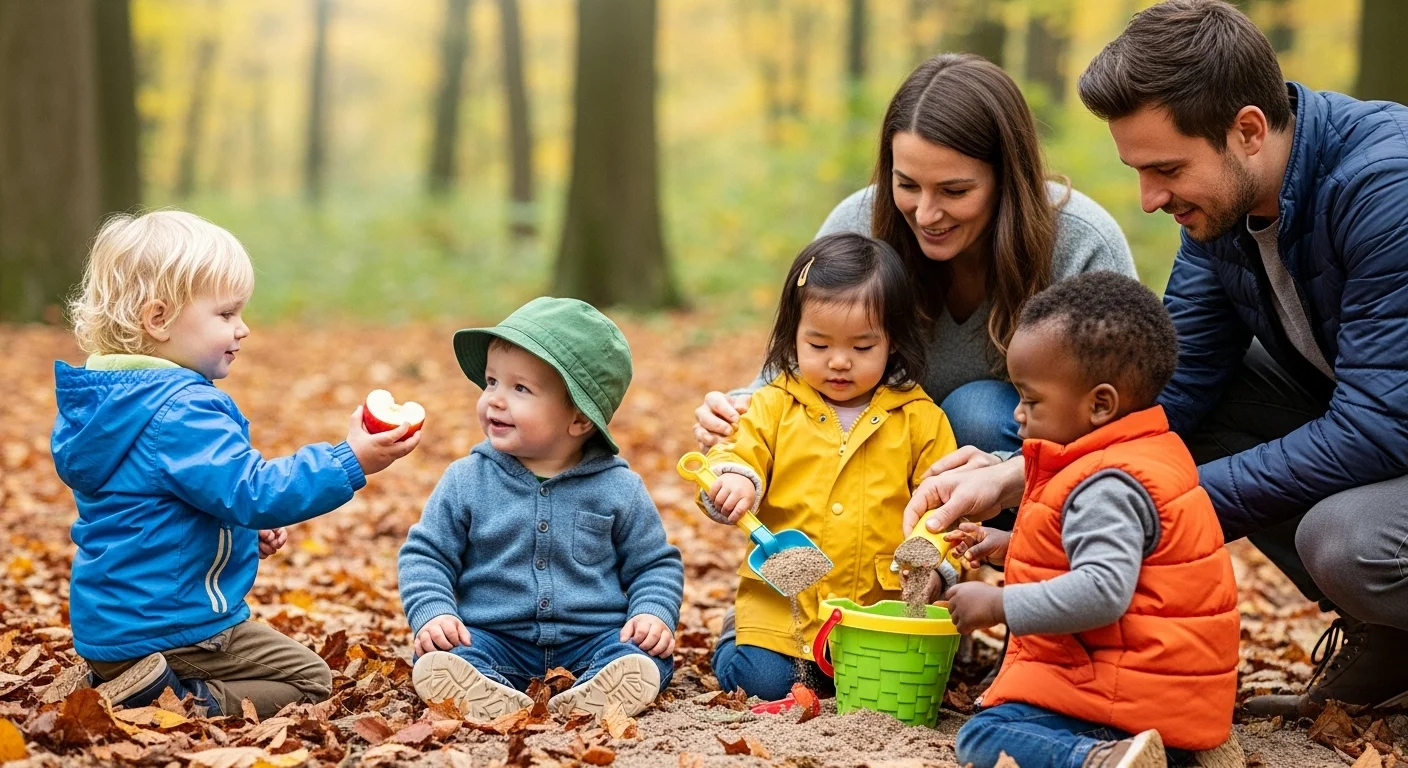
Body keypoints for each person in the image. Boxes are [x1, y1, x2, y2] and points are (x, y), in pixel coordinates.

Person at [911, 0, 1408, 715]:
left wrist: (1150, 509)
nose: (1148, 199)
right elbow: (1175, 391)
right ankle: (1392, 642)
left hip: (1388, 435)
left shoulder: (1384, 187)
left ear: (1247, 130)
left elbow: (1379, 426)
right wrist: (1018, 479)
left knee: (1348, 543)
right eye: (1139, 170)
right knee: (1168, 426)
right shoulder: (1222, 211)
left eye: (1167, 168)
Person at [53, 210, 419, 718]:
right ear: (157, 320)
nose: (242, 329)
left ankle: (116, 676)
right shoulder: (180, 410)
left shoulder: (109, 404)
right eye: (225, 315)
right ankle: (175, 701)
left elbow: (162, 508)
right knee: (311, 679)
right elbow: (254, 491)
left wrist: (239, 533)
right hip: (170, 626)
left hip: (112, 626)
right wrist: (350, 459)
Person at [695, 53, 1134, 458]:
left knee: (975, 411)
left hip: (1032, 475)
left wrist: (1006, 472)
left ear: (1007, 177)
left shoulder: (1082, 241)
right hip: (879, 473)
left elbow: (1125, 423)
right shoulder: (858, 223)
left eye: (954, 190)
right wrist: (740, 408)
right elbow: (800, 361)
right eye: (907, 185)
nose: (925, 214)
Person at [945, 272, 1240, 768]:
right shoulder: (1142, 455)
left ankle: (1101, 757)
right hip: (1161, 688)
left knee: (983, 736)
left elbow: (1103, 590)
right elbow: (1105, 559)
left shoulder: (1105, 485)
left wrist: (999, 604)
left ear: (1100, 404)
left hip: (1126, 695)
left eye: (1030, 399)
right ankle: (1172, 749)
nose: (1018, 415)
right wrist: (1009, 545)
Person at [696, 233, 957, 700]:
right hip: (782, 607)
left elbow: (945, 506)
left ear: (892, 342)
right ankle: (737, 638)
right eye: (818, 345)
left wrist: (934, 562)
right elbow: (735, 451)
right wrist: (734, 477)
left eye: (861, 348)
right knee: (771, 684)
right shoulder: (773, 404)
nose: (839, 362)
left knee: (882, 690)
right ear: (793, 336)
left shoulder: (921, 419)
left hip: (875, 609)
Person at [399, 298, 683, 720]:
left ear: (579, 420)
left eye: (520, 389)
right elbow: (427, 555)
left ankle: (599, 689)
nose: (494, 399)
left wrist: (651, 613)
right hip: (494, 636)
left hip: (592, 638)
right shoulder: (466, 480)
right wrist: (434, 613)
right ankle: (480, 687)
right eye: (491, 382)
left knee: (642, 655)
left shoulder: (618, 487)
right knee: (449, 653)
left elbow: (654, 564)